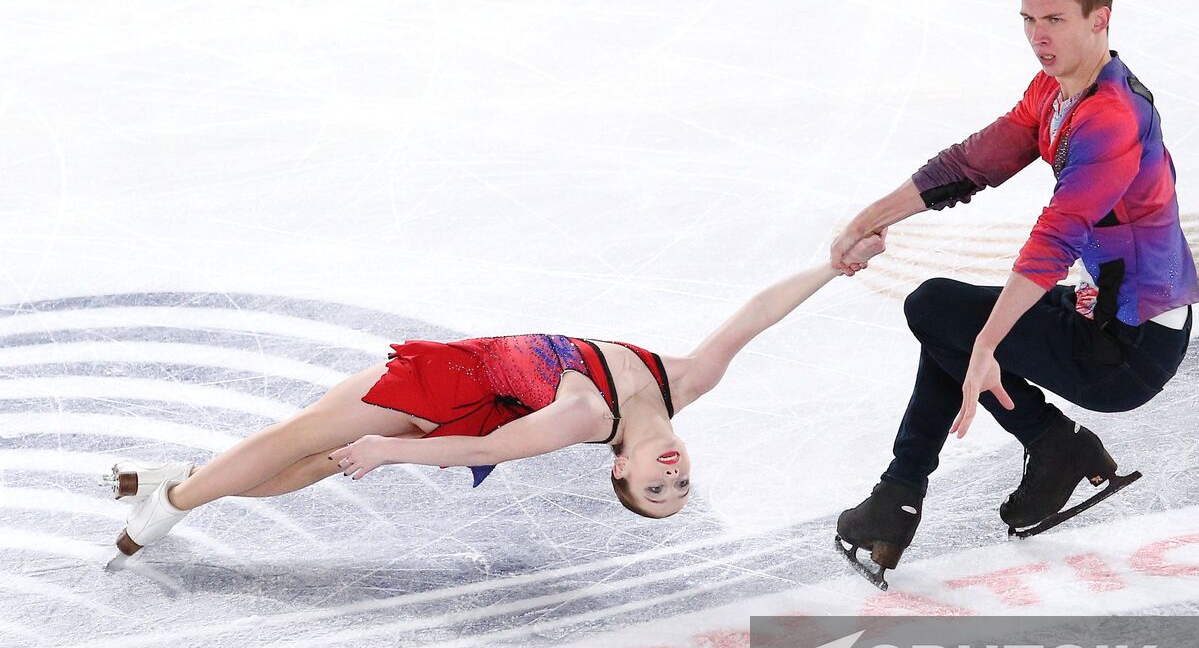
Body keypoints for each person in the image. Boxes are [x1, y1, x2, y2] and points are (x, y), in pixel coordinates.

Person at [107, 234, 886, 560]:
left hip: (453, 391)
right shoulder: (687, 381)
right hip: (471, 380)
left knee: (303, 437)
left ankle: (171, 500)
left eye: (656, 489)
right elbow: (755, 316)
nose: (673, 475)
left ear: (619, 473)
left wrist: (389, 447)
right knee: (309, 456)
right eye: (680, 486)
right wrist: (834, 267)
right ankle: (187, 480)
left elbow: (482, 449)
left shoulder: (585, 416)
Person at [828, 0, 1199, 589]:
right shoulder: (1057, 90)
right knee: (952, 324)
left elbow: (1053, 240)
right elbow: (975, 161)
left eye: (1054, 20)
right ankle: (916, 493)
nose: (1038, 36)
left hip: (1128, 349)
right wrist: (873, 217)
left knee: (939, 310)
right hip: (1099, 310)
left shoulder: (1111, 120)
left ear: (1098, 20)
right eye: (1029, 20)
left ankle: (936, 482)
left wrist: (989, 344)